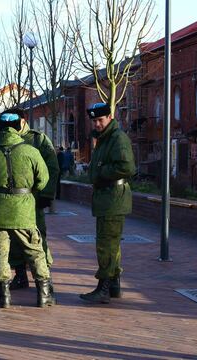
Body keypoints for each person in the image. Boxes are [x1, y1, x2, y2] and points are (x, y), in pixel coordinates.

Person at [0, 111, 55, 308]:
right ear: (18, 126)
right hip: (24, 211)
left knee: (0, 253)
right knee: (35, 251)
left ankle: (4, 296)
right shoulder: (30, 151)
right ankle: (44, 295)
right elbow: (43, 180)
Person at [80, 102, 136, 304]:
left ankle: (103, 288)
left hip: (113, 197)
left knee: (106, 245)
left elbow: (127, 167)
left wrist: (101, 172)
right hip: (107, 198)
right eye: (94, 121)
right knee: (112, 244)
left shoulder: (117, 138)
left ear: (109, 118)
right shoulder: (105, 139)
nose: (96, 124)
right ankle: (114, 285)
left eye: (100, 120)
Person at [4, 108, 59, 290]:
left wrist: (46, 195)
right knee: (14, 239)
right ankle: (20, 275)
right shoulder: (4, 138)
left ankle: (44, 278)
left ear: (23, 121)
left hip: (33, 199)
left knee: (38, 238)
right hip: (12, 201)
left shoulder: (38, 139)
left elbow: (52, 168)